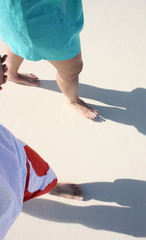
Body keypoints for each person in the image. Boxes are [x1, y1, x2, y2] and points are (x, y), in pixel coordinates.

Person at [0, 55, 83, 240]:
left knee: (38, 177)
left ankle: (49, 187)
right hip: (11, 169)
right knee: (20, 189)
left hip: (11, 157)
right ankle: (47, 187)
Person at [0, 0, 99, 119]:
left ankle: (11, 73)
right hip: (50, 20)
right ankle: (73, 100)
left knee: (15, 40)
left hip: (11, 13)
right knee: (71, 70)